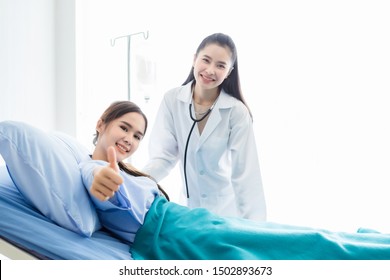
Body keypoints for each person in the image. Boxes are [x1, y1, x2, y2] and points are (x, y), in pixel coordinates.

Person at [80, 100, 390, 260]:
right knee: (302, 244)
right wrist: (102, 179)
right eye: (124, 128)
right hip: (180, 236)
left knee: (297, 236)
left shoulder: (129, 172)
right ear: (101, 123)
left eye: (137, 136)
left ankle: (372, 244)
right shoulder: (94, 168)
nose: (130, 140)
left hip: (193, 223)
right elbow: (96, 178)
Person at [142, 33, 266, 222]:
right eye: (206, 60)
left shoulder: (236, 112)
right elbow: (164, 157)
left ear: (229, 72)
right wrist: (135, 180)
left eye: (220, 65)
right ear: (194, 59)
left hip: (227, 213)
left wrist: (256, 229)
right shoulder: (172, 100)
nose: (210, 70)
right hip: (189, 211)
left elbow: (246, 175)